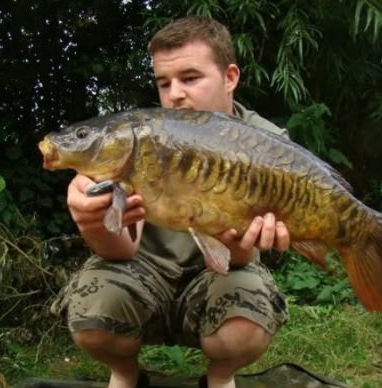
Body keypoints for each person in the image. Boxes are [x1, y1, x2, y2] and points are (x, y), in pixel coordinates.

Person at [55, 15, 290, 388]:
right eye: (164, 83)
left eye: (190, 78)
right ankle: (127, 375)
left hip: (221, 272)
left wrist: (240, 242)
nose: (175, 94)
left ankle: (219, 378)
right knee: (92, 313)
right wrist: (93, 223)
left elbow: (239, 258)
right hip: (144, 269)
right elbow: (121, 249)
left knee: (244, 323)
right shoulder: (137, 140)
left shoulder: (267, 143)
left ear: (230, 77)